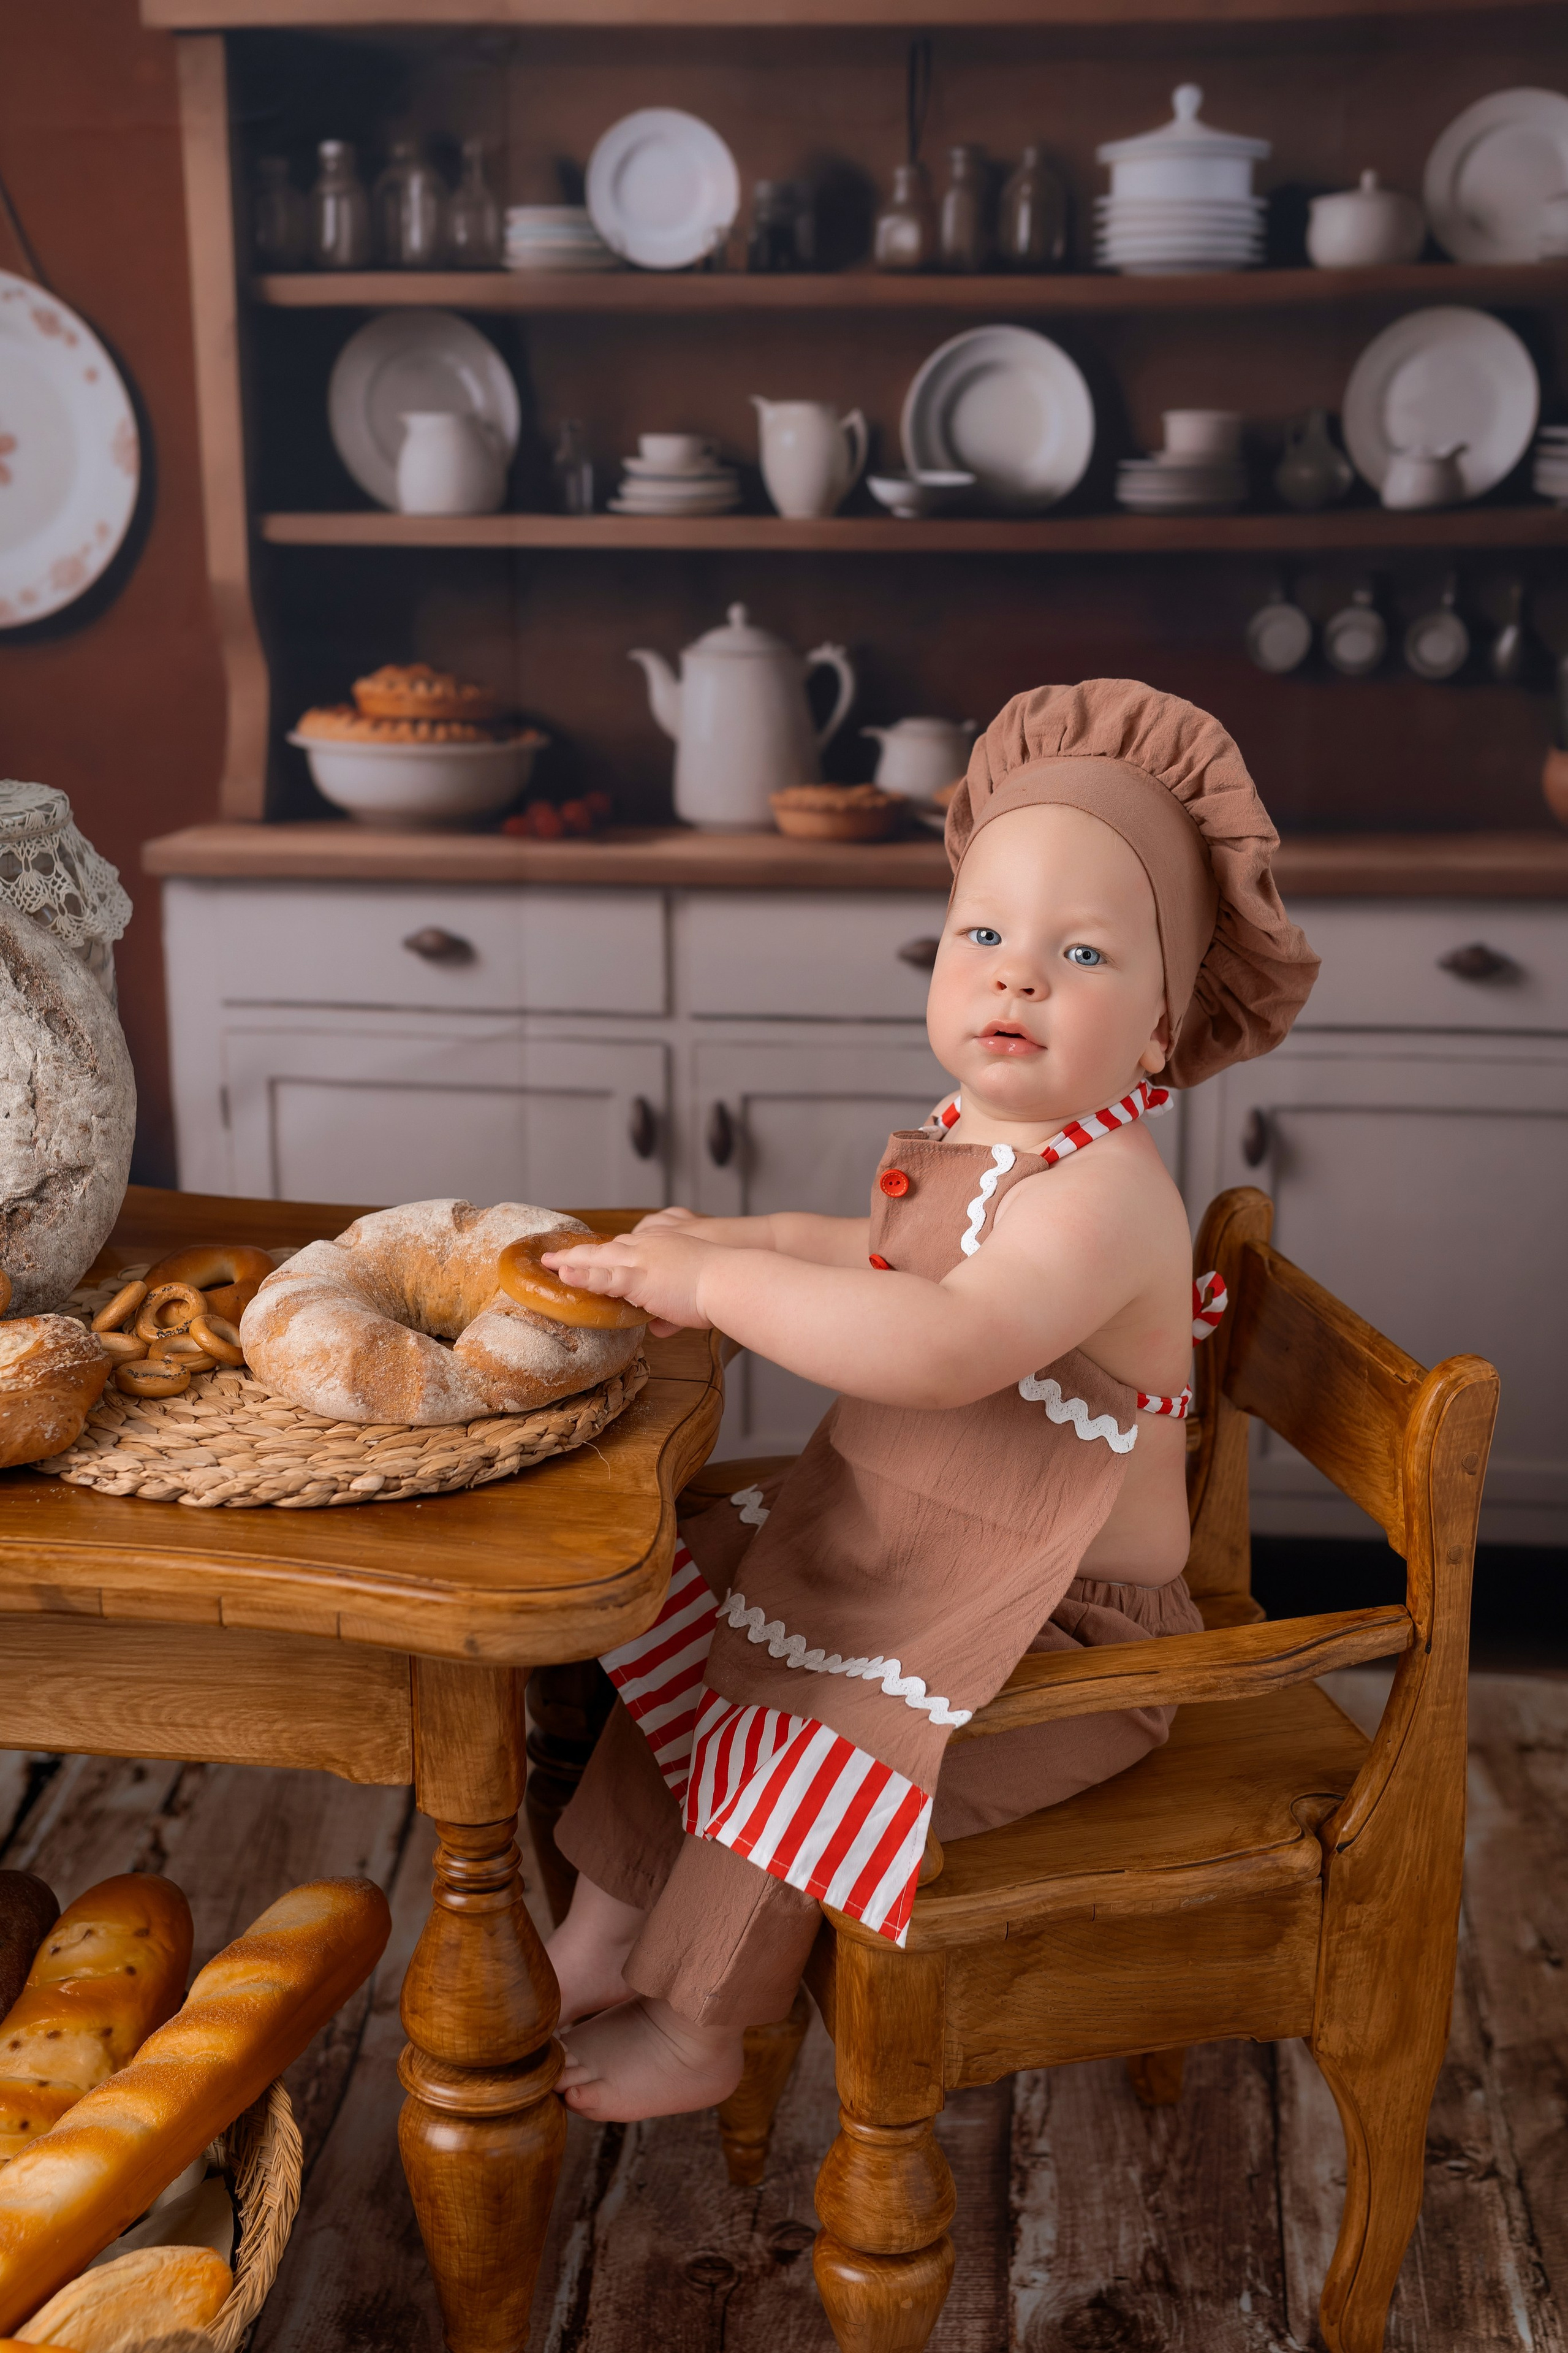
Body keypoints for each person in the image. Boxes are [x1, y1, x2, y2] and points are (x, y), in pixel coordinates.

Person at [535, 678, 1319, 2123]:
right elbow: (884, 1257)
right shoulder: (977, 1138)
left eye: (1080, 952)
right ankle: (604, 1924)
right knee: (683, 1598)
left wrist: (716, 1299)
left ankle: (703, 2018)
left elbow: (945, 1340)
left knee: (810, 1736)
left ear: (1160, 1030)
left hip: (1058, 1639)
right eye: (983, 934)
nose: (1015, 976)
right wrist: (734, 1240)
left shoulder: (1105, 1200)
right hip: (917, 1560)